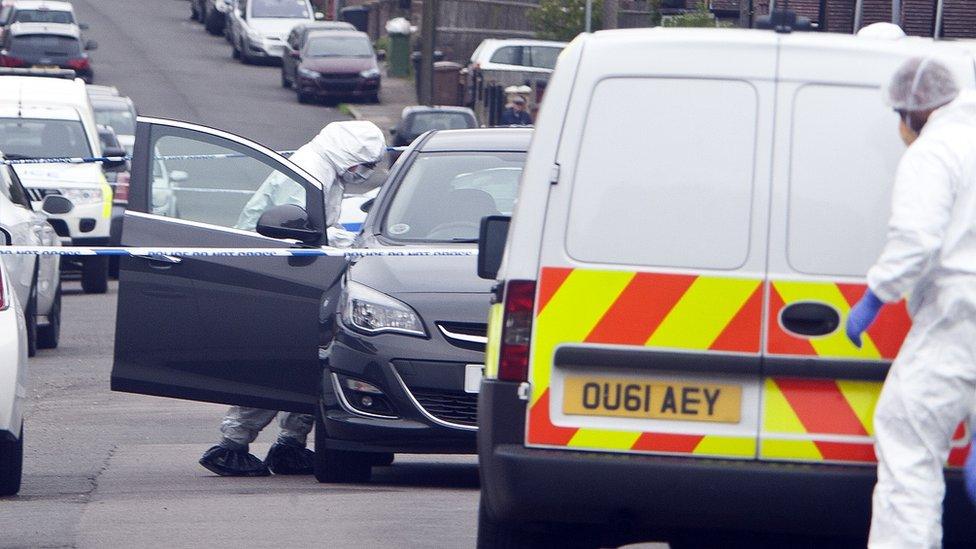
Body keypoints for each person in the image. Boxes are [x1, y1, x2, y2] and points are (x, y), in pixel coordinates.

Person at [199, 120, 386, 477]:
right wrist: (345, 243)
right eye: (363, 165)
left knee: (308, 362)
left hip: (298, 274)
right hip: (275, 275)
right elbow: (298, 230)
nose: (363, 173)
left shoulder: (326, 170)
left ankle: (290, 443)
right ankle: (231, 445)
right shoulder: (308, 171)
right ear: (348, 155)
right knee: (279, 363)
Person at [845, 57, 974, 547]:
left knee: (908, 453)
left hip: (955, 321)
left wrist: (876, 295)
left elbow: (916, 240)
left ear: (912, 112)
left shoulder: (933, 152)